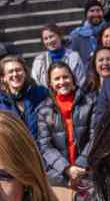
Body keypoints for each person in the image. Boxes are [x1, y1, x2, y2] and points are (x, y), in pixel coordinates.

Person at [36, 59, 99, 190]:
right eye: (57, 79)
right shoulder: (44, 109)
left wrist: (79, 166)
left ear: (73, 79)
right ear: (50, 84)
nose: (62, 82)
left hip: (88, 172)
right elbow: (45, 145)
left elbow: (96, 137)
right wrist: (67, 169)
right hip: (60, 176)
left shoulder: (90, 102)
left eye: (65, 77)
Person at [0, 55, 51, 140]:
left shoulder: (40, 93)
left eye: (18, 70)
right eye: (10, 72)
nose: (15, 74)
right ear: (3, 78)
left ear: (25, 73)